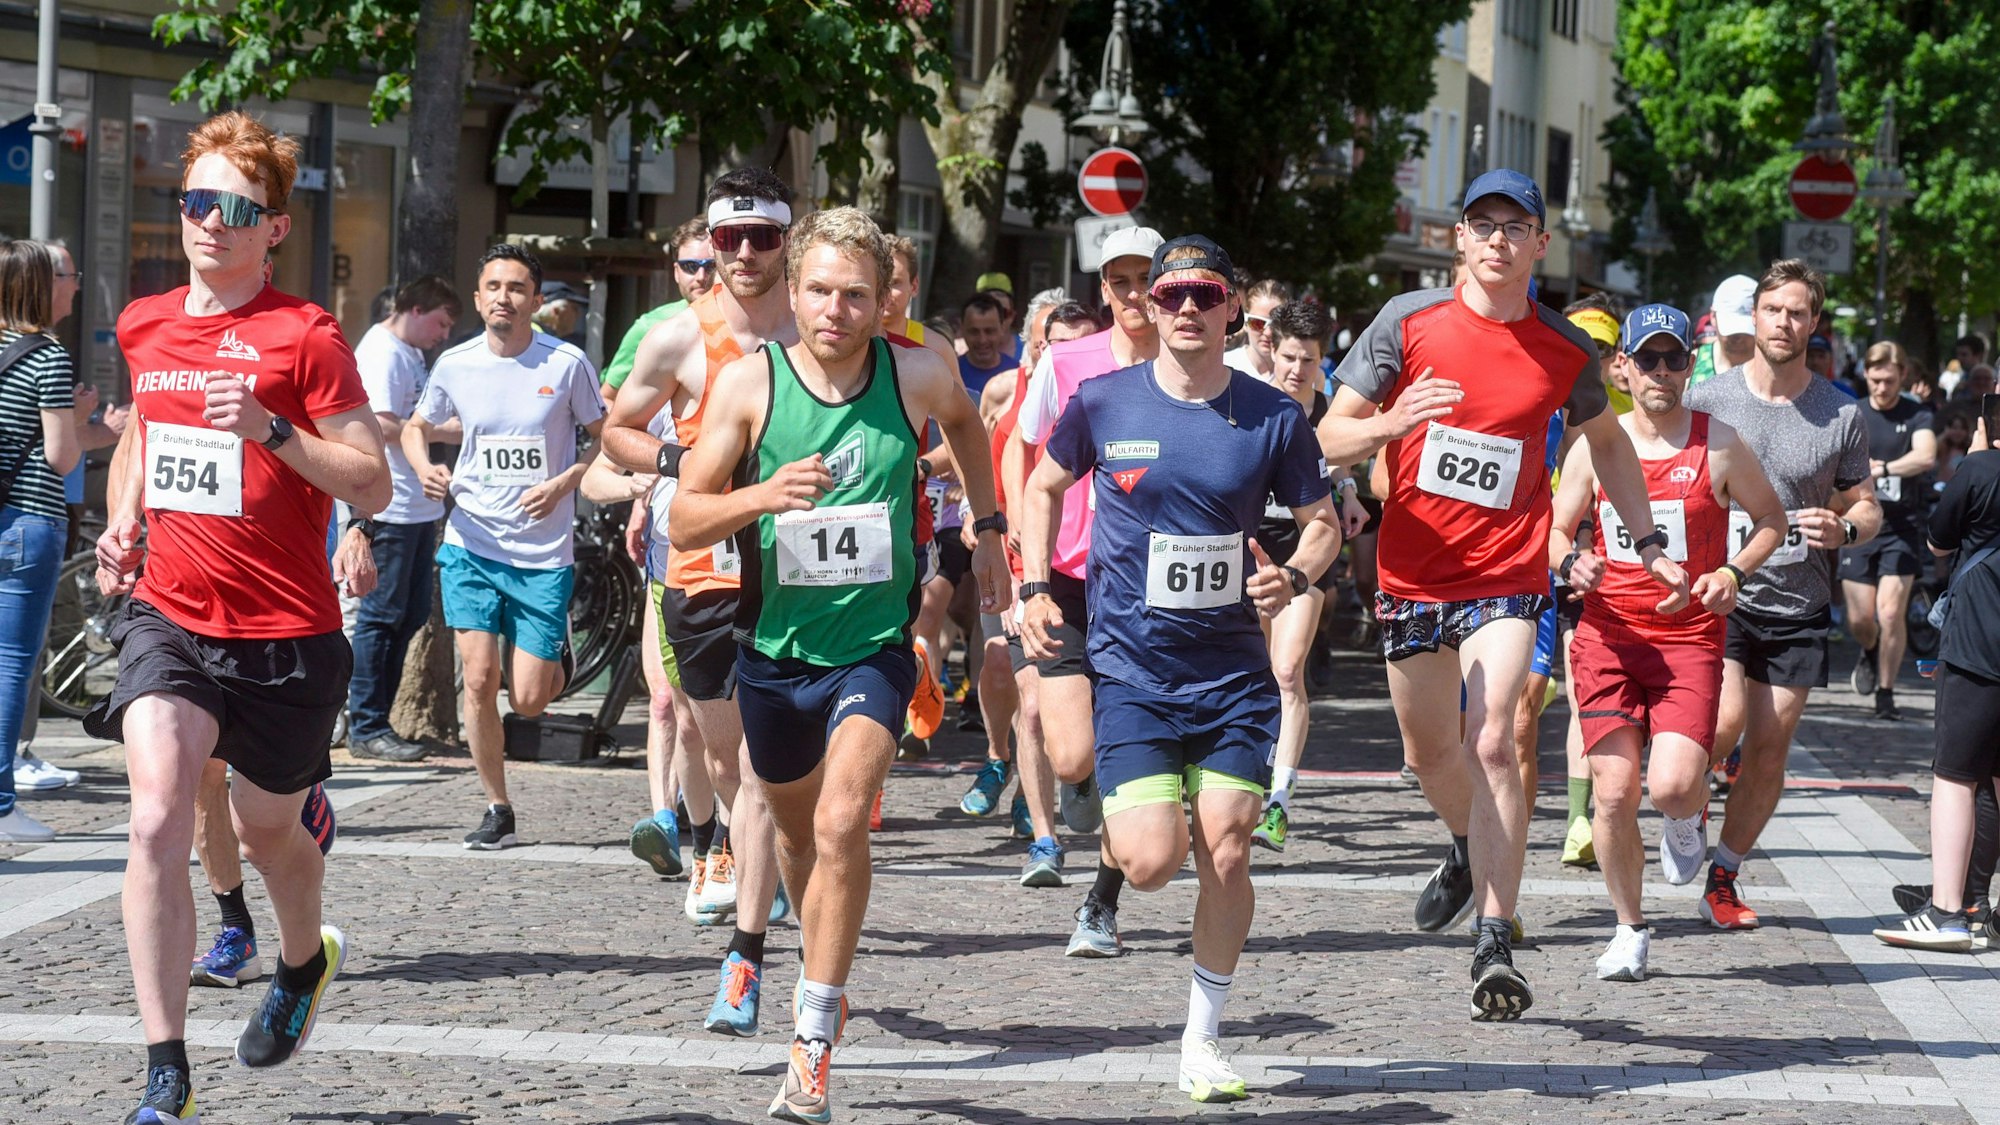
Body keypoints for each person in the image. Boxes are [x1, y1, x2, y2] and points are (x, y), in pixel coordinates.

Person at [1318, 169, 1689, 1020]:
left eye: (1514, 226)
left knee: (1494, 737)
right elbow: (1331, 432)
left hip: (1508, 575)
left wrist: (1649, 538)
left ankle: (1494, 935)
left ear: (1539, 244)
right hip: (1413, 576)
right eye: (1481, 224)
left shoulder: (1563, 348)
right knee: (1427, 755)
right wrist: (1389, 422)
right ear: (1458, 237)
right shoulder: (1404, 323)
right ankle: (1462, 846)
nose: (1496, 240)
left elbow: (1611, 447)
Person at [86, 110, 391, 1124]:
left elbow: (372, 481)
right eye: (195, 203)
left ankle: (302, 963)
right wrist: (123, 518)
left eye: (235, 208)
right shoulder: (144, 324)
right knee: (158, 818)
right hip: (170, 615)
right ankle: (163, 1066)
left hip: (287, 633)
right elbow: (139, 435)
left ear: (272, 229)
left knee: (268, 837)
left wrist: (271, 429)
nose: (210, 222)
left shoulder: (305, 336)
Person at [671, 206, 1007, 1123]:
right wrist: (761, 495)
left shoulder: (918, 373)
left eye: (857, 294)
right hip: (775, 654)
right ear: (793, 289)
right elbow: (683, 520)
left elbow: (970, 430)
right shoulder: (750, 386)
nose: (835, 309)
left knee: (843, 817)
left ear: (884, 300)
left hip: (875, 648)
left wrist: (987, 528)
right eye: (819, 289)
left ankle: (813, 1033)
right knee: (792, 838)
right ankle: (814, 963)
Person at [1023, 235, 1338, 1101]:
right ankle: (1113, 813)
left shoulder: (1273, 415)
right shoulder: (1102, 402)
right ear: (1151, 306)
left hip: (1233, 674)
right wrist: (1033, 581)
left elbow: (1324, 519)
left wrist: (1296, 572)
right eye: (1171, 296)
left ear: (1235, 305)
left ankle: (1202, 1039)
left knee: (1229, 851)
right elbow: (1042, 487)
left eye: (1205, 294)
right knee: (1153, 860)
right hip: (1133, 672)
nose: (1187, 308)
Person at [602, 166, 798, 1035]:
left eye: (763, 236)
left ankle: (749, 948)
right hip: (704, 568)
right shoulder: (679, 337)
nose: (746, 253)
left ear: (788, 239)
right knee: (724, 762)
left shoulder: (822, 324)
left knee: (766, 769)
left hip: (799, 573)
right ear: (709, 245)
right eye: (729, 238)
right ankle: (722, 841)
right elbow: (614, 428)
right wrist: (678, 464)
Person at [1549, 303, 1785, 981]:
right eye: (1644, 358)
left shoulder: (1719, 443)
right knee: (1615, 793)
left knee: (1674, 785)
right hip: (1609, 636)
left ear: (1689, 366)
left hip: (1688, 640)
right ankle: (1630, 928)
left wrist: (1733, 571)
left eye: (1672, 358)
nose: (1658, 372)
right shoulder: (1597, 442)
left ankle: (1687, 819)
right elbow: (1554, 531)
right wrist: (1571, 563)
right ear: (1620, 365)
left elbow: (1770, 517)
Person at [1685, 258, 1880, 932]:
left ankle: (1725, 873)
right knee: (1723, 721)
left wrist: (1846, 525)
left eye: (1799, 313)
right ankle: (1687, 802)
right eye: (1775, 310)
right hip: (1723, 595)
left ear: (1813, 323)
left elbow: (1868, 506)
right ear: (1756, 317)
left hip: (1798, 604)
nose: (1784, 322)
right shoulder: (1710, 400)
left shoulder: (1840, 412)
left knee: (1770, 748)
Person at [402, 243, 605, 848]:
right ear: (477, 297)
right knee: (478, 678)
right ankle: (497, 806)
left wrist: (568, 481)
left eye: (517, 288)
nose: (504, 298)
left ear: (536, 302)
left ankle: (554, 657)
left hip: (542, 554)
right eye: (493, 286)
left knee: (533, 699)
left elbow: (607, 437)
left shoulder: (566, 364)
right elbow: (417, 427)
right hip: (471, 542)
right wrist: (423, 470)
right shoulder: (456, 364)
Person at [1011, 224, 1165, 957]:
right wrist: (1023, 563)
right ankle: (1095, 785)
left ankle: (1101, 900)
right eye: (1121, 282)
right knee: (1072, 755)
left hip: (1154, 586)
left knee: (1121, 752)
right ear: (1103, 291)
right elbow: (1024, 447)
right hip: (1072, 579)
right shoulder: (1069, 361)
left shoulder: (1189, 365)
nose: (1136, 295)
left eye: (1148, 279)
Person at [1876, 423, 2000, 952]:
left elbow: (1938, 541)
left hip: (1979, 645)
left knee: (1954, 775)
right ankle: (1981, 908)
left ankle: (1947, 910)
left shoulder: (1980, 470)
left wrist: (1976, 459)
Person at [1247, 299, 1364, 852]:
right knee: (1252, 674)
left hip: (1306, 554)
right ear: (1270, 347)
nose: (1297, 370)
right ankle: (1235, 780)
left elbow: (1342, 468)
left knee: (1288, 672)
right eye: (1289, 357)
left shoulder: (1329, 412)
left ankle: (1278, 803)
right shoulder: (1246, 404)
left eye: (1309, 360)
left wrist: (1347, 492)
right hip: (1245, 556)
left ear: (1323, 359)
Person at [344, 274, 460, 762]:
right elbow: (379, 421)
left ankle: (378, 720)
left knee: (408, 614)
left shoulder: (407, 352)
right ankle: (366, 724)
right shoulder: (383, 352)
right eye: (440, 322)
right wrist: (446, 430)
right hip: (389, 505)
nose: (444, 334)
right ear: (415, 310)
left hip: (413, 506)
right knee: (382, 616)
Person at [0, 239, 79, 842]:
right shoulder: (47, 357)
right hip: (28, 520)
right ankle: (2, 804)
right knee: (10, 668)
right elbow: (60, 454)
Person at [1841, 342, 1937, 720]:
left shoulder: (1917, 414)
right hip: (1859, 524)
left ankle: (1886, 691)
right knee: (1861, 620)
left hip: (1900, 526)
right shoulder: (1853, 413)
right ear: (1867, 375)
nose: (1883, 388)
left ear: (1903, 377)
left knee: (1890, 610)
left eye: (1890, 381)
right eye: (1877, 380)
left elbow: (1926, 455)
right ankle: (1869, 650)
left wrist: (1883, 469)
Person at [602, 216, 714, 409]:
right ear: (676, 272)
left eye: (711, 266)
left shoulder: (748, 322)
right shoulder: (650, 326)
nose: (701, 276)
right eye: (690, 266)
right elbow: (606, 398)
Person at [1693, 274, 1757, 388]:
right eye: (1731, 328)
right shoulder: (1692, 365)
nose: (1738, 337)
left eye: (1744, 330)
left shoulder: (1775, 368)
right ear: (1713, 317)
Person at [1221, 279, 1291, 381]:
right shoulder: (1224, 365)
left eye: (1276, 324)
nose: (1268, 333)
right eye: (1257, 323)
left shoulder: (1295, 374)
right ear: (1245, 322)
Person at [958, 293, 1012, 396]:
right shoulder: (950, 375)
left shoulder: (1017, 374)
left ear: (1002, 329)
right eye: (974, 332)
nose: (982, 340)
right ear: (962, 330)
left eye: (989, 331)